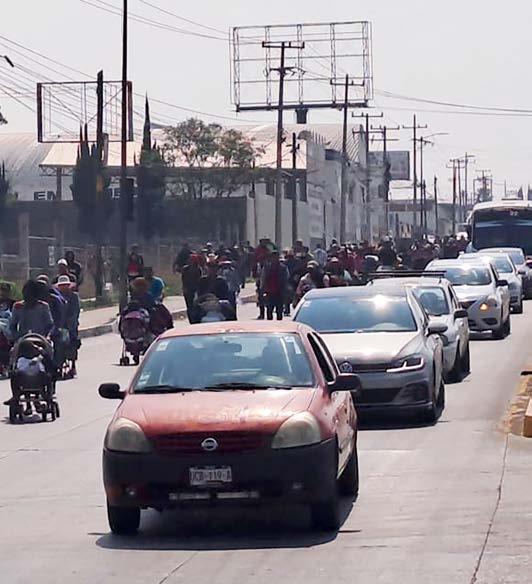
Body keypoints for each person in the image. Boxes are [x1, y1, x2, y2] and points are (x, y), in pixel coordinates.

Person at [55, 275, 81, 376]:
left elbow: (75, 311)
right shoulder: (56, 297)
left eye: (65, 285)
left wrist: (70, 322)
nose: (63, 287)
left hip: (71, 324)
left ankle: (73, 365)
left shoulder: (74, 296)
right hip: (59, 324)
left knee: (73, 342)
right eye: (61, 285)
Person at [259, 251, 289, 321]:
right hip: (269, 292)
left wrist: (285, 290)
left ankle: (279, 325)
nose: (274, 259)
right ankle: (270, 325)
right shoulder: (267, 267)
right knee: (269, 310)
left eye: (276, 257)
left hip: (279, 292)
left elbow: (286, 279)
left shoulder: (283, 268)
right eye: (272, 257)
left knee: (279, 311)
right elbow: (263, 278)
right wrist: (262, 289)